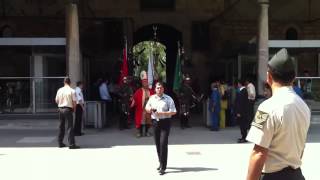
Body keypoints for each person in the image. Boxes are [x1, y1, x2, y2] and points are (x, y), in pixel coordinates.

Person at [246, 48, 310, 180]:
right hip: (297, 175)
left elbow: (258, 153)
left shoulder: (266, 107)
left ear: (269, 77)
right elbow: (301, 148)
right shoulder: (304, 107)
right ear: (294, 78)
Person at [145, 82, 177, 175]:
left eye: (161, 88)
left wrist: (163, 113)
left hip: (165, 122)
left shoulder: (168, 99)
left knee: (163, 143)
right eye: (157, 88)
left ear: (163, 89)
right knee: (158, 144)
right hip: (155, 122)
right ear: (155, 89)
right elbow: (147, 107)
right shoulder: (152, 98)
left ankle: (163, 167)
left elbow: (174, 111)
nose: (159, 89)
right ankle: (160, 162)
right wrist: (150, 109)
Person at [55, 77, 80, 149]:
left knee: (61, 126)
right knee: (70, 127)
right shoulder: (72, 91)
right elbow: (74, 102)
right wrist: (74, 109)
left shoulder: (59, 90)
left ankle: (60, 143)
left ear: (64, 82)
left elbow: (56, 100)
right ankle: (71, 144)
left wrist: (60, 104)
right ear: (70, 82)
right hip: (68, 109)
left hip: (60, 109)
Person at [131, 71, 154, 137]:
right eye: (144, 82)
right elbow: (134, 98)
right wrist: (132, 102)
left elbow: (155, 99)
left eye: (146, 82)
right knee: (140, 121)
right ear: (142, 83)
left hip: (148, 110)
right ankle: (139, 132)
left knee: (148, 121)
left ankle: (147, 132)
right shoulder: (138, 91)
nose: (145, 83)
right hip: (140, 109)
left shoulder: (151, 91)